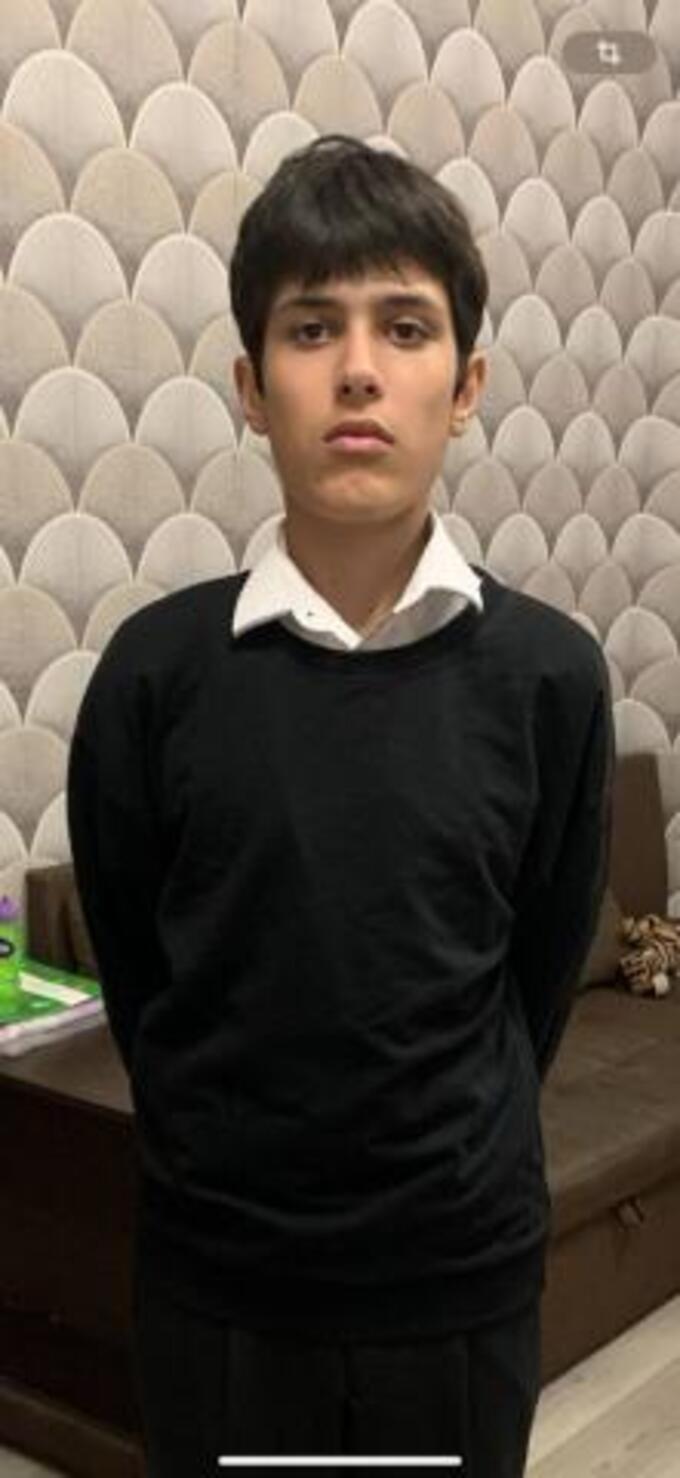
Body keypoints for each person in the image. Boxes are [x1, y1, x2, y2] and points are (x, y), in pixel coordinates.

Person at [66, 134, 615, 1477]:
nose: (358, 369)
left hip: (460, 1281)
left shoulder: (548, 677)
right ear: (253, 388)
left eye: (404, 326)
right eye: (312, 328)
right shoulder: (156, 675)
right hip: (222, 1288)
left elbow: (537, 968)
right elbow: (142, 971)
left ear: (465, 384)